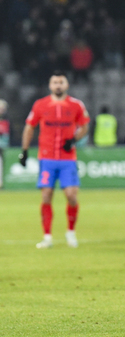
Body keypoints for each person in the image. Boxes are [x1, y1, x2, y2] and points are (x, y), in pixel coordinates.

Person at [20, 71, 90, 249]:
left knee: (72, 196)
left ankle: (70, 232)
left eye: (61, 82)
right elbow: (29, 127)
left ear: (66, 85)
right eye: (55, 82)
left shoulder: (76, 105)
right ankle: (47, 237)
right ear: (50, 86)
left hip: (68, 159)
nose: (58, 85)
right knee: (46, 196)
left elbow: (85, 126)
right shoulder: (40, 105)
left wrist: (73, 140)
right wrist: (25, 151)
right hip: (47, 158)